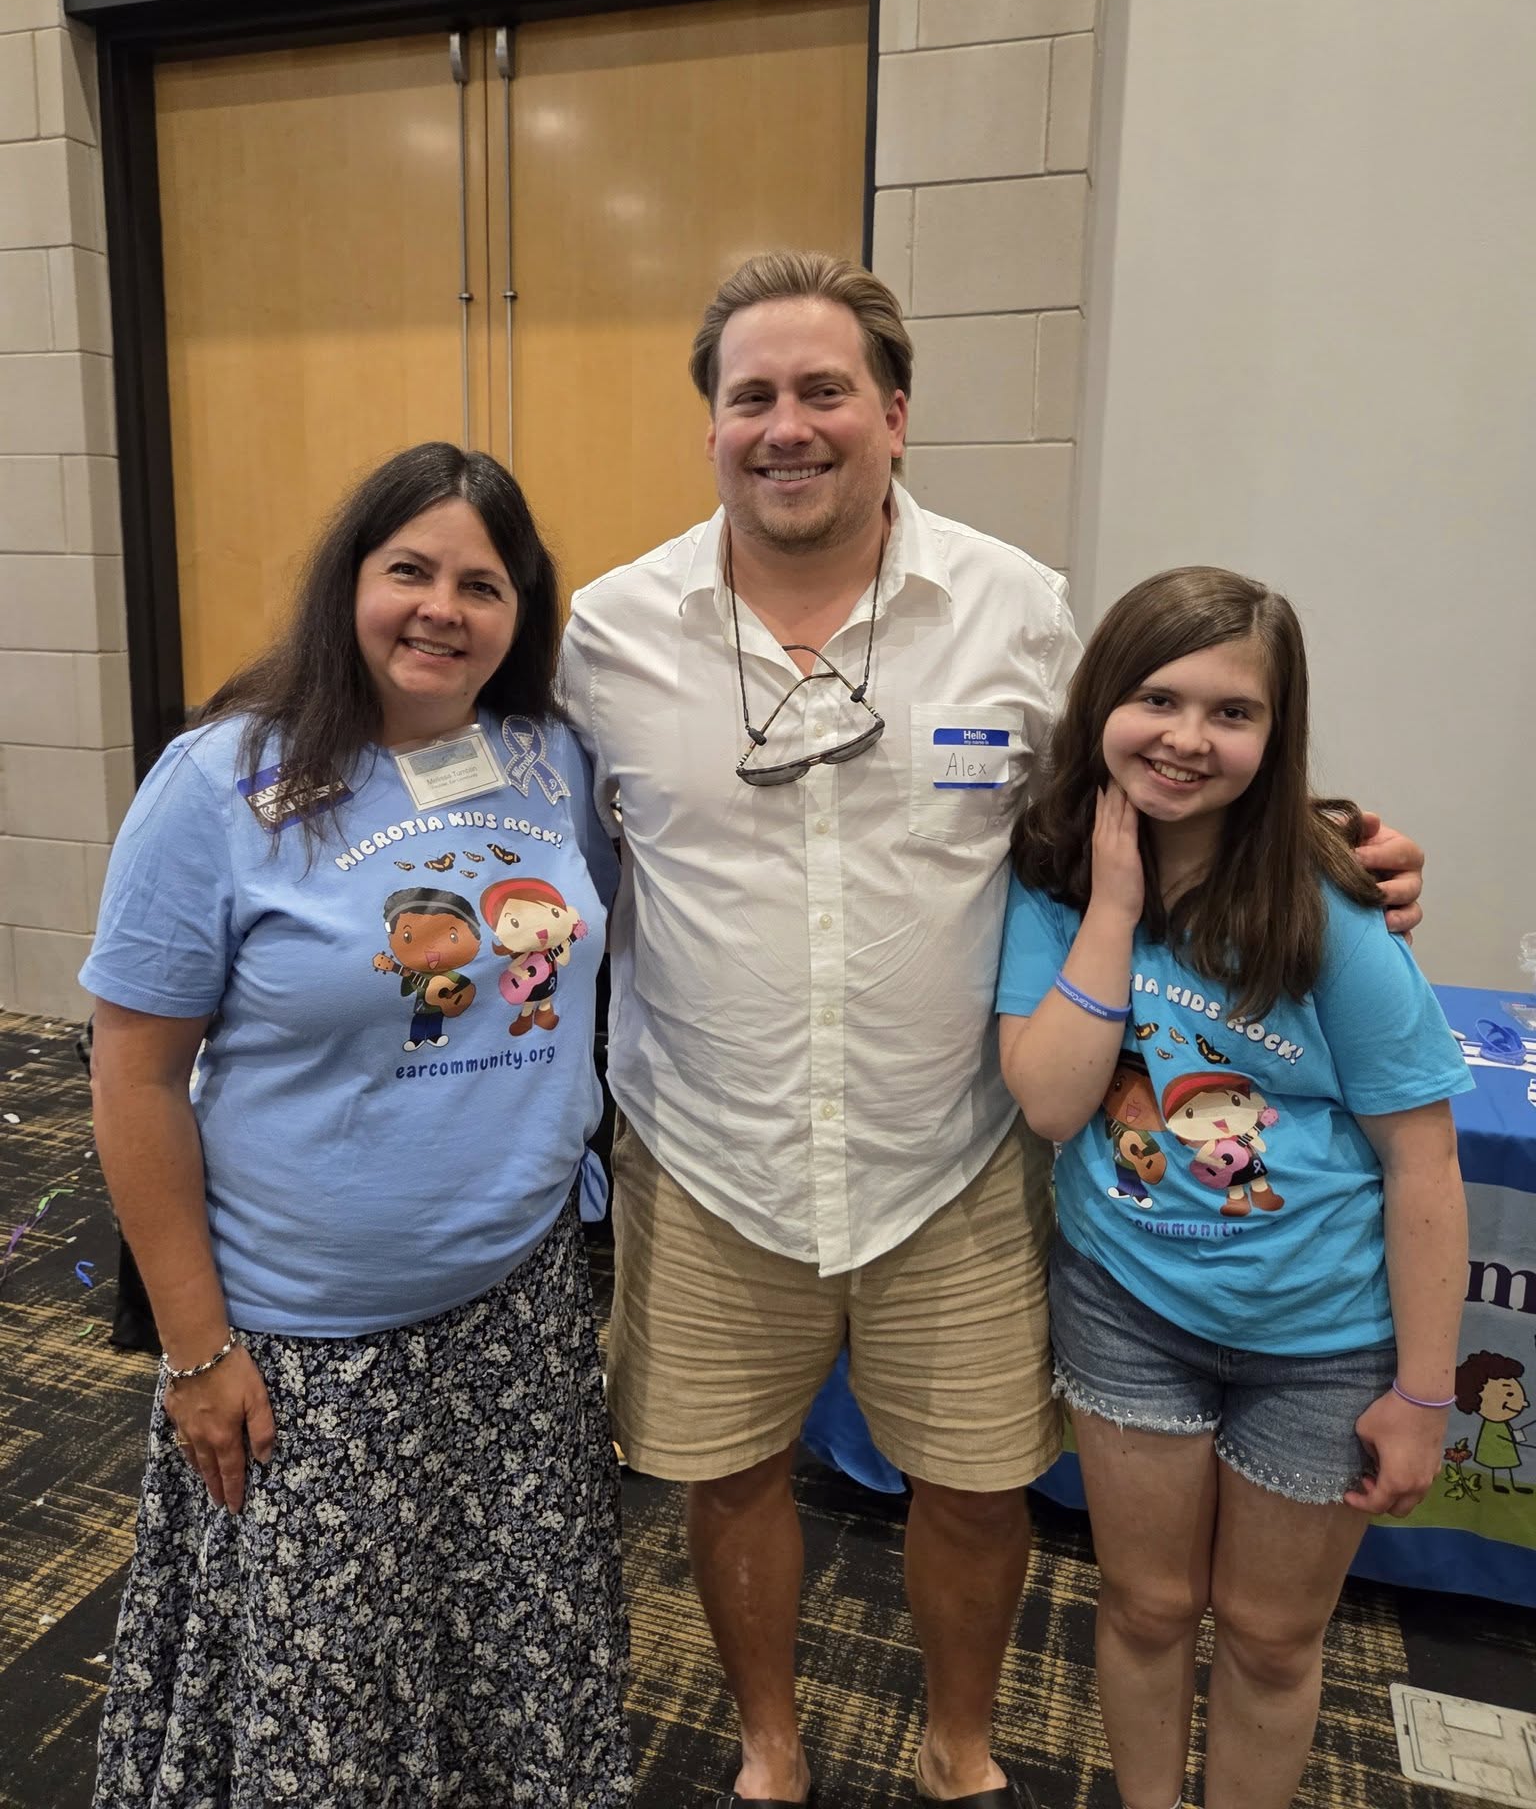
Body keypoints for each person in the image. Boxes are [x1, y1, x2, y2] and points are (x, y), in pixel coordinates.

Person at [558, 252, 1426, 1809]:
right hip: (706, 1151)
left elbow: (1145, 779)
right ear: (713, 426)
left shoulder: (1017, 609)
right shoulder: (608, 632)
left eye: (825, 391)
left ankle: (960, 1745)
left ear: (894, 414)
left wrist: (1329, 846)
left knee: (974, 1486)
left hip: (955, 1156)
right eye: (752, 396)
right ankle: (768, 1746)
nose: (787, 425)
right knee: (730, 1474)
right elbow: (540, 854)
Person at [82, 443, 631, 1807]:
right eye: (410, 571)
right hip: (307, 1343)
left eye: (482, 584)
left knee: (507, 1653)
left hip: (518, 1311)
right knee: (324, 1696)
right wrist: (196, 1348)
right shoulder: (218, 782)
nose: (442, 608)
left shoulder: (549, 757)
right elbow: (134, 1081)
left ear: (521, 611)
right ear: (350, 581)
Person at [996, 565, 1471, 1809]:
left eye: (1233, 711)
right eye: (1158, 696)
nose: (1188, 737)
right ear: (1105, 699)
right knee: (1148, 1604)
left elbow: (1424, 1161)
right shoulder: (1053, 875)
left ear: (1277, 731)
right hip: (1129, 1309)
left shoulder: (1330, 909)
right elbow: (1051, 1102)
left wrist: (1425, 1393)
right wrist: (1114, 908)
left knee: (1268, 1634)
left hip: (1322, 1339)